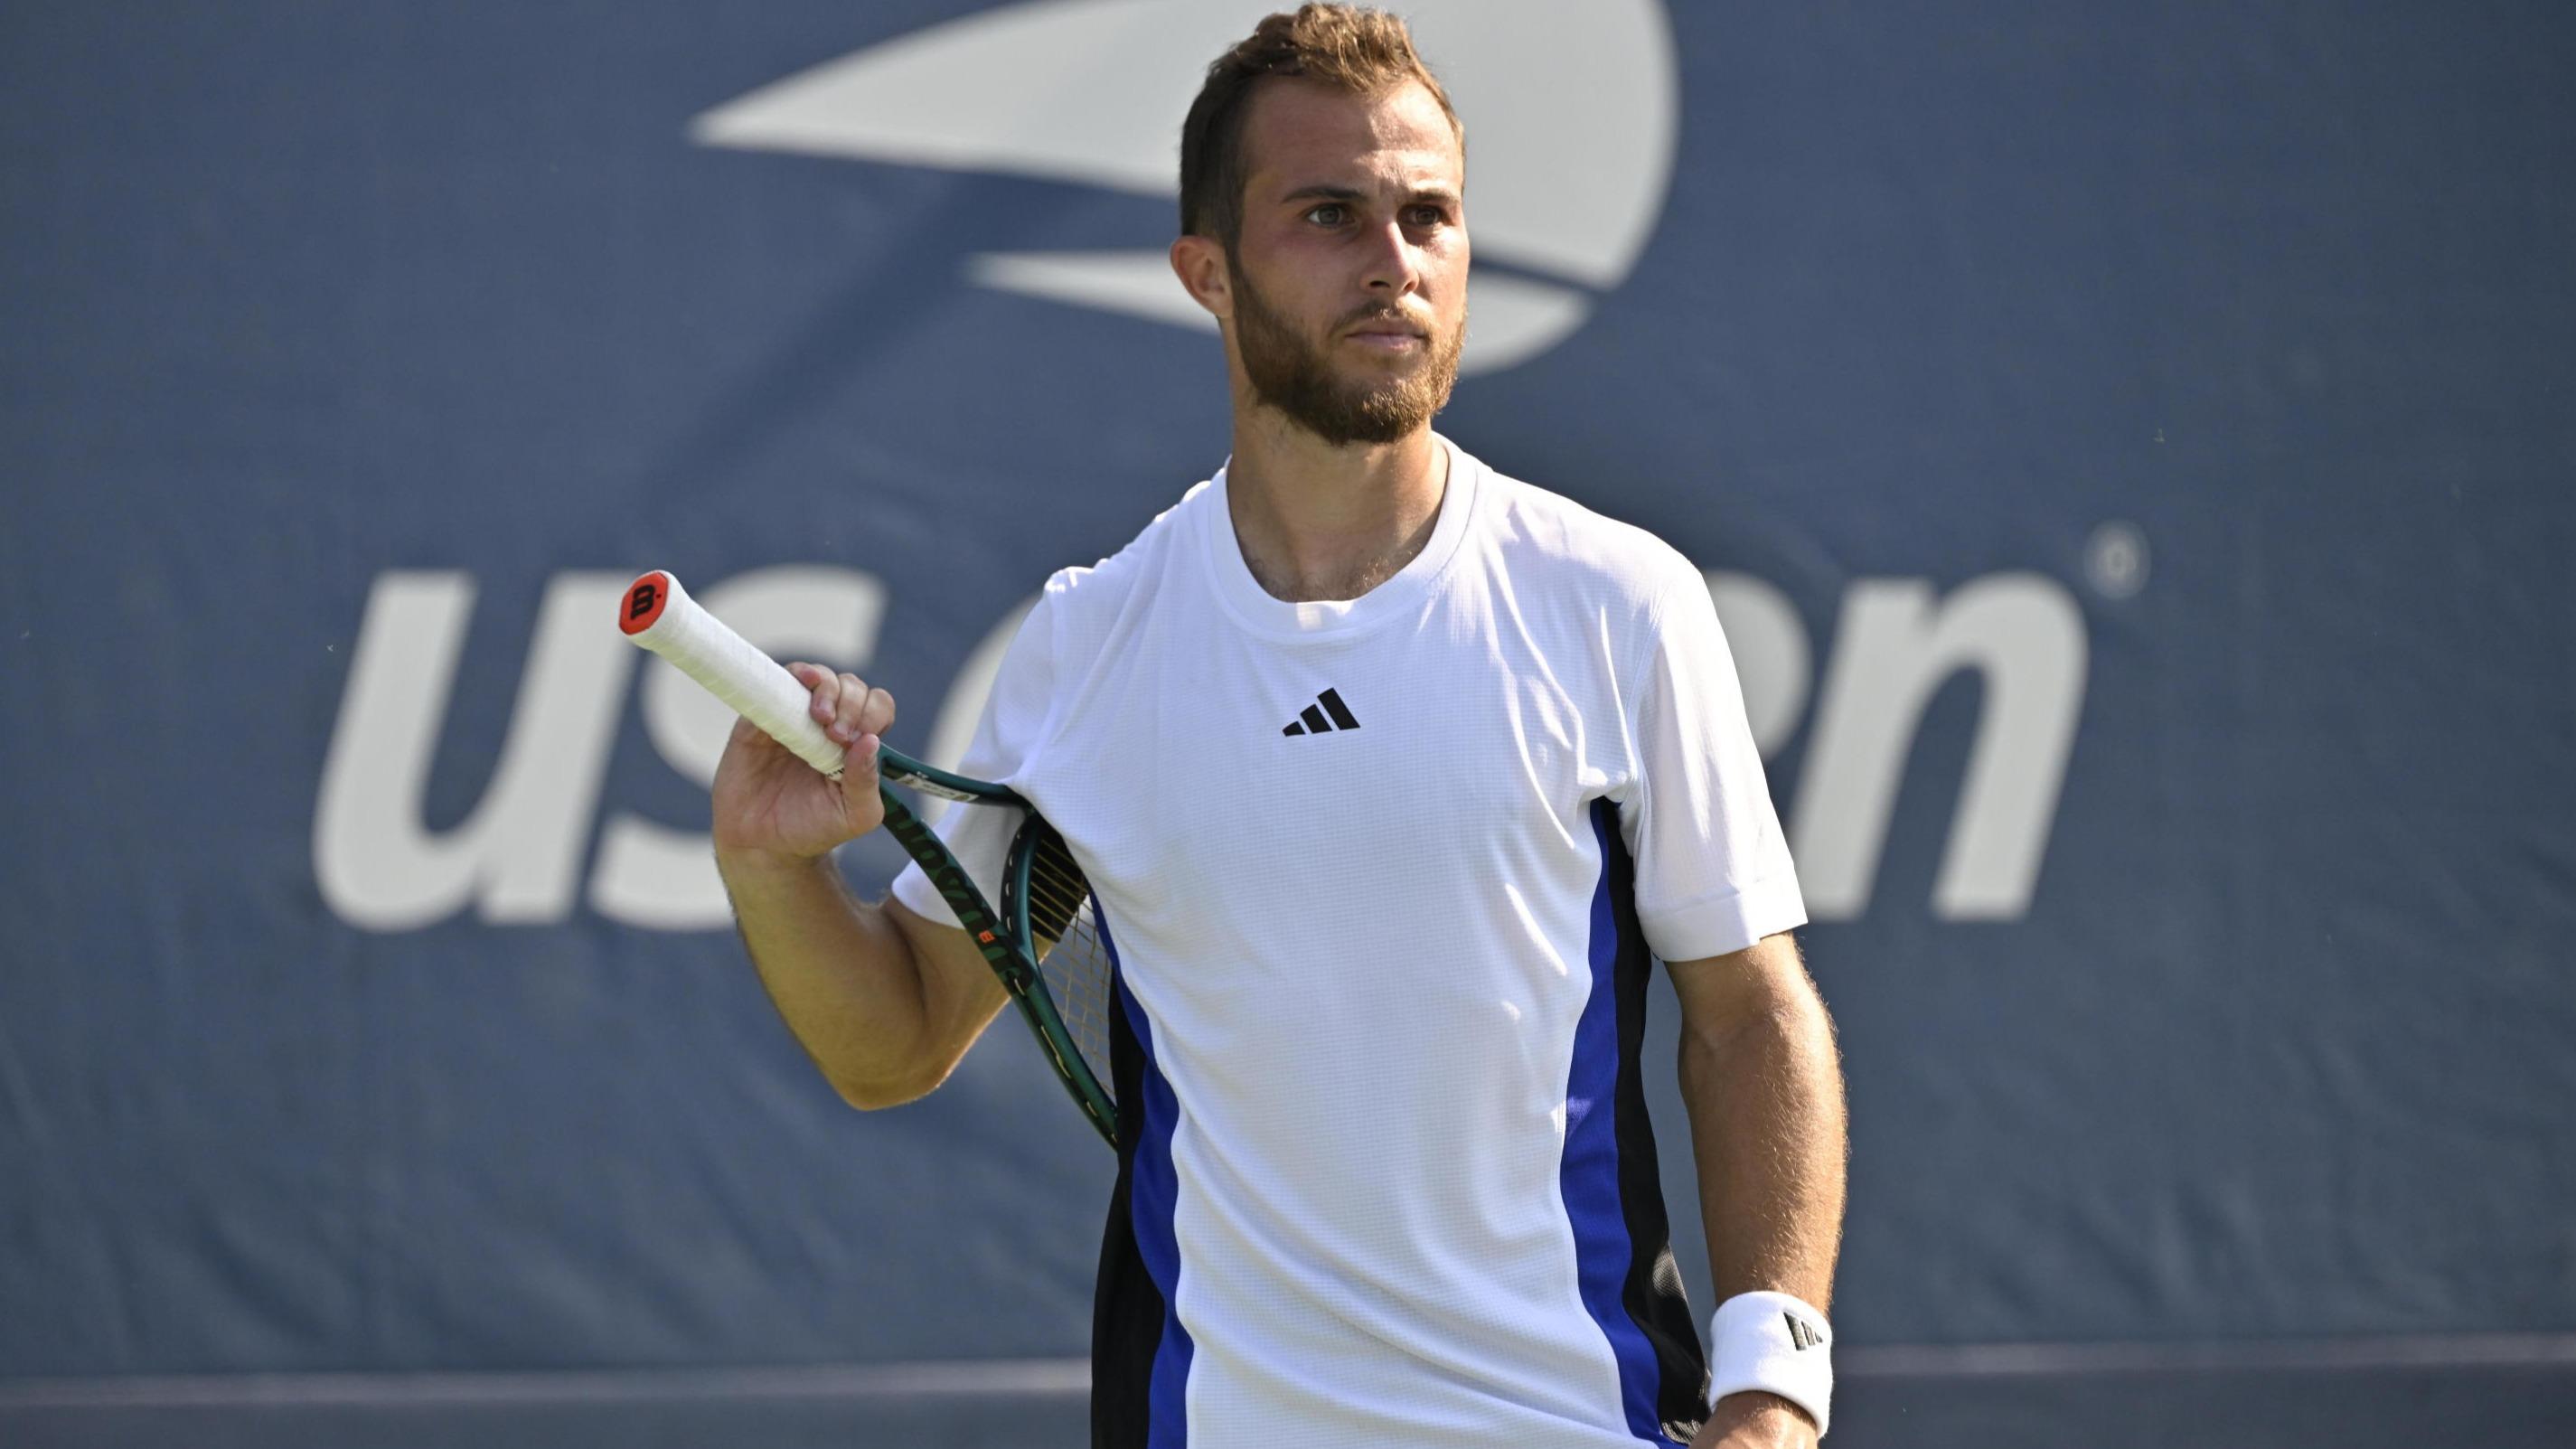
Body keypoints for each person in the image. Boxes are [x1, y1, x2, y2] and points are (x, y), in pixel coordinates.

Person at [710, 6, 1847, 1445]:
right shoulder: (1087, 649)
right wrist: (772, 869)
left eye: (1427, 214)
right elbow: (899, 1041)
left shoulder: (1614, 603)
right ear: (1207, 273)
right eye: (1328, 215)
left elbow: (1750, 1017)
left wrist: (1773, 1396)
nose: (1394, 263)